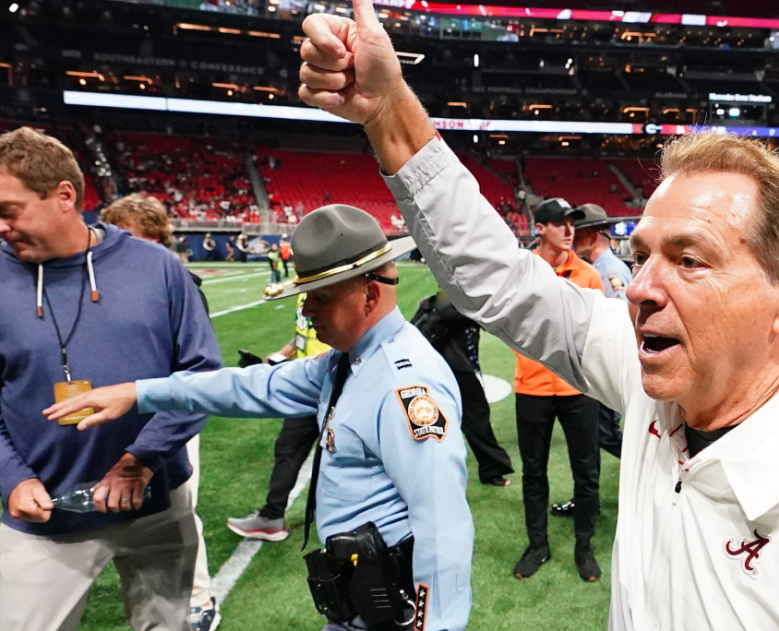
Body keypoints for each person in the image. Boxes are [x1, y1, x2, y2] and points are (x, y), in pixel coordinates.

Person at [292, 0, 779, 627]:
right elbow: (497, 278)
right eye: (642, 255)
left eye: (689, 260)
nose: (645, 287)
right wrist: (389, 113)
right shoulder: (668, 380)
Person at [46, 204, 474, 631]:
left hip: (388, 611)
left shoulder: (404, 385)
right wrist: (139, 392)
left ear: (370, 294)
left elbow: (442, 523)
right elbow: (248, 387)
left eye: (320, 298)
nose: (306, 311)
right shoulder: (351, 361)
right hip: (359, 597)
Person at [0, 127, 219, 631]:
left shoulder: (158, 268)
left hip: (156, 503)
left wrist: (140, 460)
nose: (2, 225)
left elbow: (202, 374)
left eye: (10, 209)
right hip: (42, 514)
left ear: (64, 196)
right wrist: (12, 478)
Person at [100, 194, 221, 629]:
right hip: (127, 422)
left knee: (178, 512)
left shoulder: (176, 283)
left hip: (172, 419)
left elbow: (199, 370)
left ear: (156, 238)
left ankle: (199, 601)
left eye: (130, 236)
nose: (119, 246)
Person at [507, 197, 605, 582]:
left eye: (571, 223)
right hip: (531, 388)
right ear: (540, 228)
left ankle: (584, 546)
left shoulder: (589, 275)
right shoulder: (522, 273)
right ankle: (538, 545)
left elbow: (600, 330)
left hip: (579, 389)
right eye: (559, 223)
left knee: (587, 472)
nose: (568, 230)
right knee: (534, 472)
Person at [225, 291, 330, 542]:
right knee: (288, 448)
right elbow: (303, 333)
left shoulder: (329, 284)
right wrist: (281, 356)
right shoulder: (306, 287)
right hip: (308, 387)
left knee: (341, 457)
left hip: (332, 381)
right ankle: (272, 517)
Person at [550, 203, 629, 517]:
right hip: (594, 372)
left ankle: (657, 472)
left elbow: (621, 325)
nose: (571, 236)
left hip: (605, 370)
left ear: (594, 234)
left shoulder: (609, 272)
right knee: (592, 441)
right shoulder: (600, 267)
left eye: (578, 230)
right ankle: (586, 499)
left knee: (603, 436)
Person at [412, 290, 515, 487]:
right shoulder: (457, 302)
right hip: (454, 368)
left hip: (440, 365)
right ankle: (492, 467)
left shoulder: (448, 298)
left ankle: (488, 467)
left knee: (442, 419)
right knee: (475, 415)